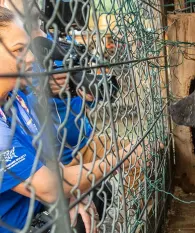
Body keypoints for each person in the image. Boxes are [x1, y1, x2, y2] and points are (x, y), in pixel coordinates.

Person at [0, 7, 146, 233]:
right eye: (19, 50)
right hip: (21, 217)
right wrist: (124, 158)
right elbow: (50, 186)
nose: (30, 56)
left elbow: (48, 159)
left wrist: (73, 194)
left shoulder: (17, 98)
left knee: (94, 193)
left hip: (70, 153)